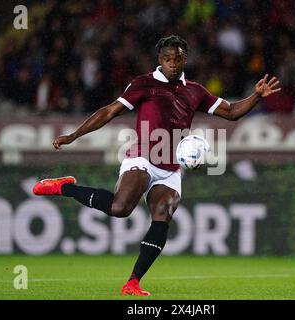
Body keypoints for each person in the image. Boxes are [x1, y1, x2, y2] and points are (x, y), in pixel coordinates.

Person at [32, 35, 281, 296]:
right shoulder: (144, 84)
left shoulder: (195, 91)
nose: (173, 63)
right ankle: (66, 188)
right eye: (167, 58)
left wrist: (256, 96)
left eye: (178, 58)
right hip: (143, 157)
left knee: (163, 213)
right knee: (120, 208)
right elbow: (109, 111)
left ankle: (133, 282)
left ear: (185, 59)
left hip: (171, 168)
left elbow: (230, 112)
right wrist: (74, 135)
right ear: (159, 60)